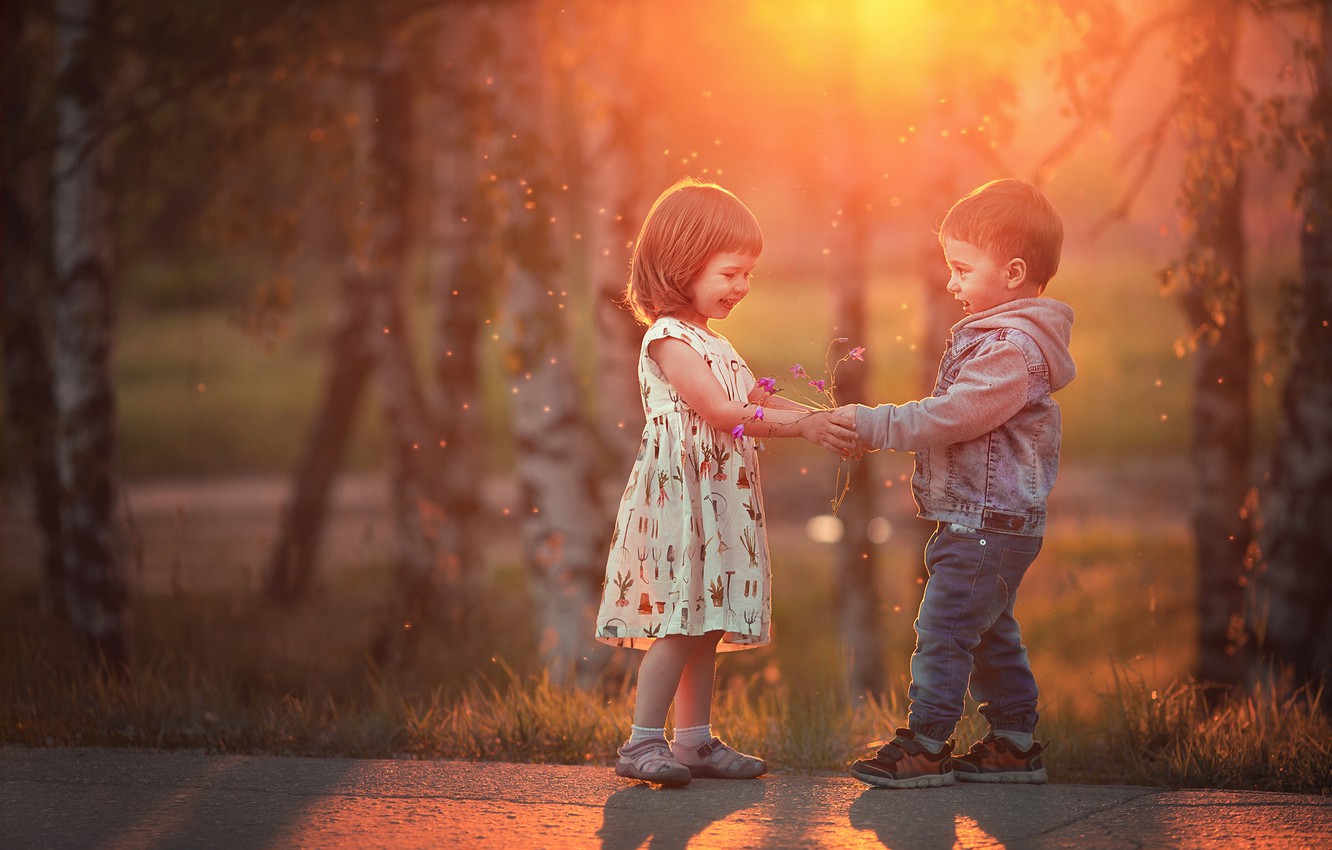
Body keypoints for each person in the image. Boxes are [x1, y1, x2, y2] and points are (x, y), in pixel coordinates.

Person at [596, 177, 858, 787]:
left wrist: (807, 415)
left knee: (707, 620)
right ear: (682, 264)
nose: (742, 287)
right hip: (683, 499)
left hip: (717, 500)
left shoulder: (716, 342)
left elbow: (750, 408)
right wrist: (803, 426)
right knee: (679, 621)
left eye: (748, 275)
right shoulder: (669, 339)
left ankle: (694, 742)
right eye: (730, 273)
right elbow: (719, 412)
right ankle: (641, 742)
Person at [832, 177, 1075, 789]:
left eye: (963, 269)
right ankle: (1015, 746)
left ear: (1013, 272)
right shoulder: (1000, 338)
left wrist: (874, 423)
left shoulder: (1011, 349)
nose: (951, 283)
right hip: (990, 520)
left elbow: (953, 416)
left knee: (942, 630)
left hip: (987, 524)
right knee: (989, 632)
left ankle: (926, 745)